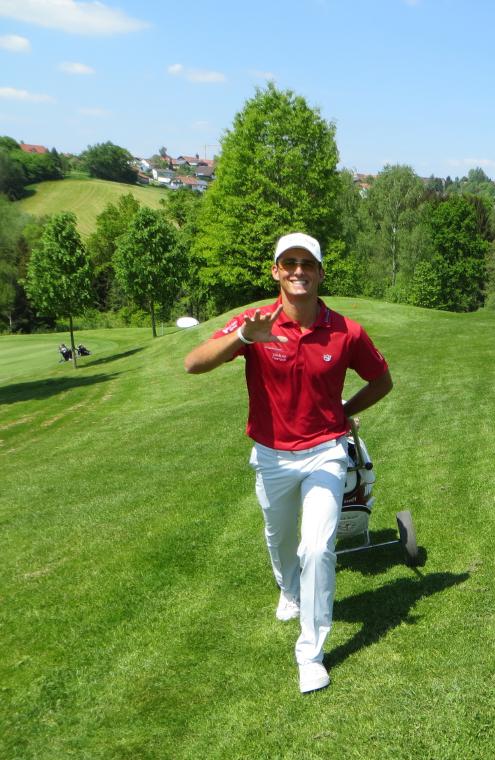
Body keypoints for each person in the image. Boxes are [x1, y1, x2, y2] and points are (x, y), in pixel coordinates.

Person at [183, 232, 393, 694]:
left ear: (319, 272)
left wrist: (345, 412)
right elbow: (193, 363)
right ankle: (288, 589)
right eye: (289, 263)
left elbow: (382, 380)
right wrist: (242, 337)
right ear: (277, 271)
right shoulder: (256, 323)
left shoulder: (346, 331)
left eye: (307, 264)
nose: (298, 271)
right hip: (272, 455)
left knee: (317, 547)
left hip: (325, 451)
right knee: (280, 543)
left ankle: (311, 653)